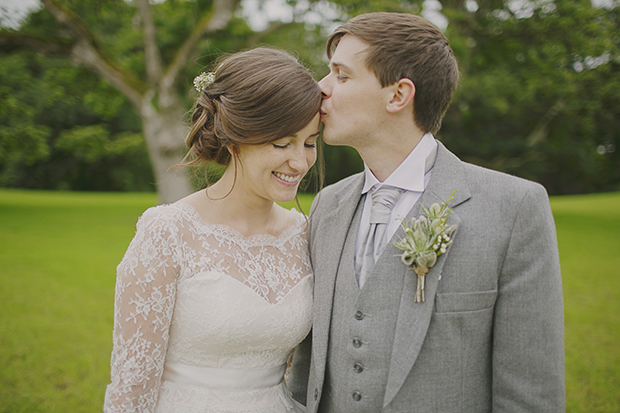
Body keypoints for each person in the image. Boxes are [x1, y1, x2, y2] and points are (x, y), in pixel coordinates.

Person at [288, 12, 565, 412]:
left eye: (342, 75)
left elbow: (530, 394)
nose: (321, 88)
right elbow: (306, 371)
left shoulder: (515, 208)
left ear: (398, 95)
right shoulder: (328, 205)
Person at [103, 47, 322, 413]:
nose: (300, 162)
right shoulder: (169, 231)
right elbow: (132, 384)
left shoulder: (303, 233)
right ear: (235, 137)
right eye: (282, 143)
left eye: (311, 143)